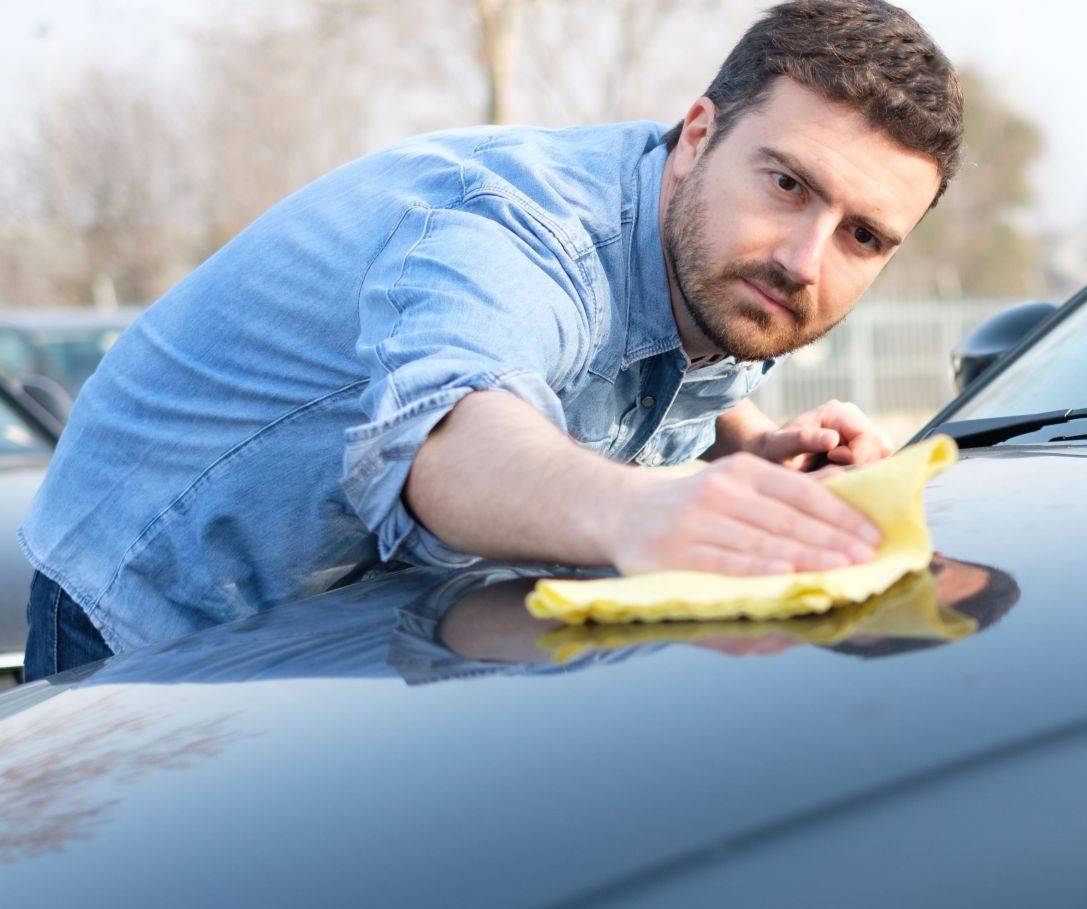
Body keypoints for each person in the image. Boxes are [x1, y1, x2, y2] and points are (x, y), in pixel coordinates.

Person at [17, 0, 963, 681]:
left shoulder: (725, 260)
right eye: (790, 184)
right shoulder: (513, 233)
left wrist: (755, 454)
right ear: (696, 135)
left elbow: (681, 365)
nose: (807, 259)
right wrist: (647, 514)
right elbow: (453, 437)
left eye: (863, 236)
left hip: (358, 615)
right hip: (156, 590)